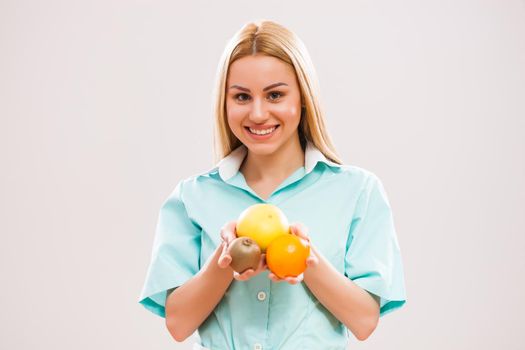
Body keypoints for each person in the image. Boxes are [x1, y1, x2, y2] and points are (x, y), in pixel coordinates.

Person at [138, 19, 407, 349]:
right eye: (241, 97)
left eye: (275, 95)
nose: (258, 113)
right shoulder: (193, 197)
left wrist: (306, 259)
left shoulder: (358, 191)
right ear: (224, 104)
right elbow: (178, 324)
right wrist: (225, 258)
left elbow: (365, 321)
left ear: (303, 97)